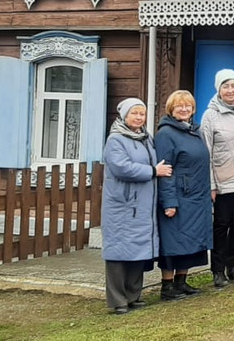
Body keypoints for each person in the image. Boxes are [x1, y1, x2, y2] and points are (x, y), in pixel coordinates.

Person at [102, 98, 171, 314]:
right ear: (124, 116)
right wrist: (153, 171)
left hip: (143, 204)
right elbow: (122, 168)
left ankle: (133, 295)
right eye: (135, 113)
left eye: (142, 114)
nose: (139, 117)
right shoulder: (116, 139)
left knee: (137, 250)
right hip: (123, 205)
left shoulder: (145, 137)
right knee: (118, 252)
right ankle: (118, 300)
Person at [155, 90, 213, 300]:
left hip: (196, 197)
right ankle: (167, 286)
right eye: (179, 106)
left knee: (189, 240)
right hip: (178, 197)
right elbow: (165, 170)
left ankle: (181, 281)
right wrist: (169, 202)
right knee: (173, 241)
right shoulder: (166, 134)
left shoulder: (194, 131)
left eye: (188, 105)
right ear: (171, 109)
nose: (184, 109)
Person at [200, 70, 234, 289]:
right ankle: (218, 270)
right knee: (221, 226)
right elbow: (206, 152)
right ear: (218, 89)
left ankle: (233, 266)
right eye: (225, 86)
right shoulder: (210, 116)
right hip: (222, 181)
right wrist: (211, 184)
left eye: (233, 85)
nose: (230, 91)